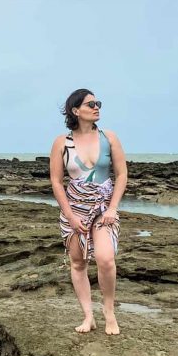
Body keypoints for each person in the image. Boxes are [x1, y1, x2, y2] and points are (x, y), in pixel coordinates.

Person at [49, 88, 128, 335]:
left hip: (104, 208)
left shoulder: (110, 138)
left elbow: (122, 174)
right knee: (78, 262)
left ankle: (109, 312)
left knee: (105, 259)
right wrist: (71, 217)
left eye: (98, 103)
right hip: (75, 210)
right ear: (76, 111)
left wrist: (113, 208)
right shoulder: (62, 143)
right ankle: (88, 317)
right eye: (91, 104)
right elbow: (56, 182)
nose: (97, 107)